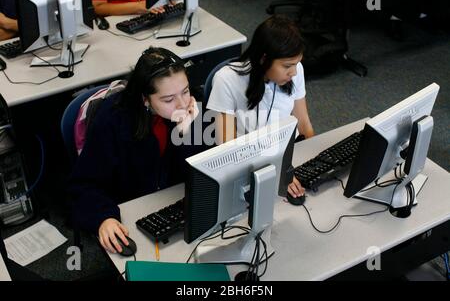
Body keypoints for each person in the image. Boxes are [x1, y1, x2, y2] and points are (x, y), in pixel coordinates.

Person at [68, 47, 203, 254]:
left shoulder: (192, 109)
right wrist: (104, 217)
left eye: (185, 91)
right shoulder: (112, 119)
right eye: (168, 99)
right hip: (128, 213)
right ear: (145, 99)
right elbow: (84, 183)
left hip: (172, 208)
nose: (183, 104)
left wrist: (186, 135)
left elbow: (200, 172)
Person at [206, 14, 314, 199]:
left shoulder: (296, 71)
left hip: (288, 156)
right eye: (287, 65)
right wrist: (276, 173)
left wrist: (315, 163)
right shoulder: (227, 80)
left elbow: (303, 123)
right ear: (264, 59)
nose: (294, 72)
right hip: (247, 165)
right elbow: (227, 150)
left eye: (297, 64)